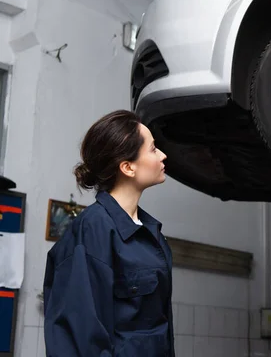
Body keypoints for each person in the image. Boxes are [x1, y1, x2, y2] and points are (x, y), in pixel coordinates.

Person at [43, 110, 174, 356]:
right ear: (128, 167)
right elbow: (80, 338)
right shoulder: (94, 229)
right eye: (154, 149)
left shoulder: (149, 232)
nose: (163, 155)